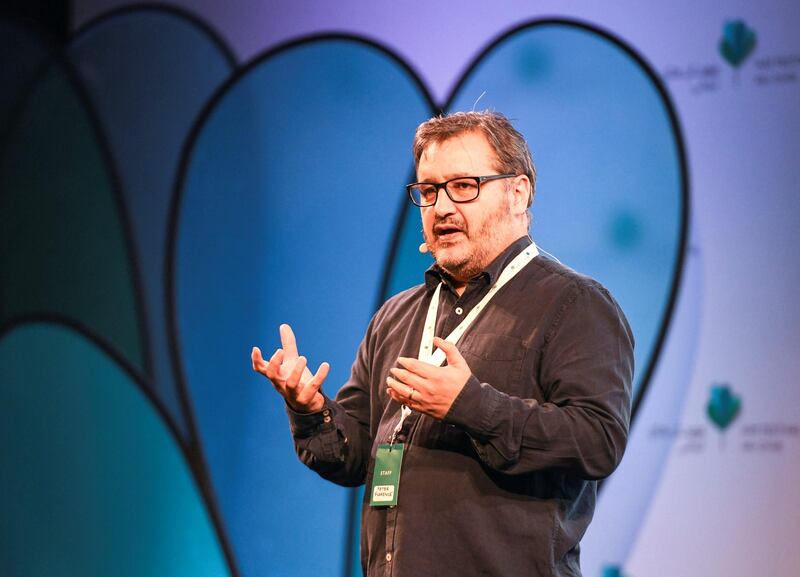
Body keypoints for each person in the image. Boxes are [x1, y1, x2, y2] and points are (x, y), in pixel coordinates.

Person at [251, 111, 634, 577]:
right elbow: (353, 457)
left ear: (519, 192)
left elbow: (598, 440)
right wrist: (311, 410)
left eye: (464, 186)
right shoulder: (395, 316)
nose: (442, 207)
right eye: (429, 191)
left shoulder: (575, 305)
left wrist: (470, 404)